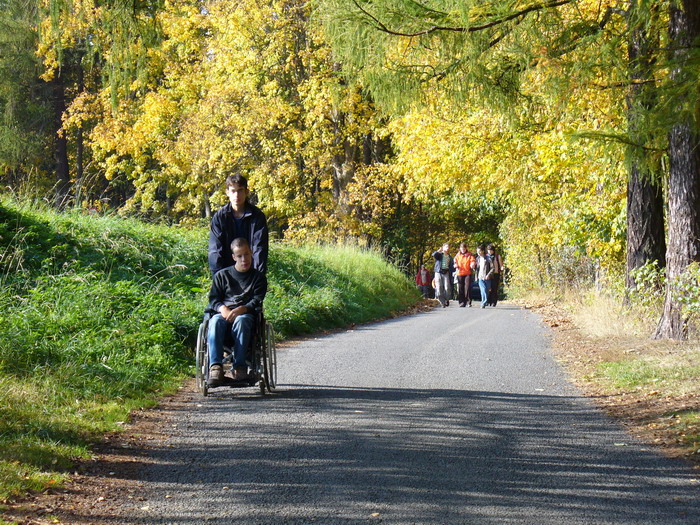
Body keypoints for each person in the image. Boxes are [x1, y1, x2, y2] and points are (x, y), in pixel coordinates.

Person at [206, 237, 267, 386]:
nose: (244, 259)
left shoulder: (258, 278)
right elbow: (213, 299)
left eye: (246, 254)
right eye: (239, 256)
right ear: (234, 257)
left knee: (242, 320)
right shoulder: (222, 276)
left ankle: (240, 367)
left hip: (246, 317)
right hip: (224, 315)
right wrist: (223, 309)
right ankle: (215, 367)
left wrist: (243, 309)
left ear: (251, 253)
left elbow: (257, 300)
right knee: (215, 321)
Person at [209, 174, 269, 276]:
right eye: (233, 191)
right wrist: (219, 278)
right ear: (227, 192)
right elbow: (215, 251)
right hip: (226, 273)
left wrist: (257, 278)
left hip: (251, 273)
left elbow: (259, 249)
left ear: (246, 192)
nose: (236, 195)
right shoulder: (220, 218)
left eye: (240, 190)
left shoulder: (257, 216)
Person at [453, 243, 477, 307]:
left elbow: (473, 260)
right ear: (460, 248)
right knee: (460, 288)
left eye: (464, 248)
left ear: (466, 248)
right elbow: (455, 261)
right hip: (460, 273)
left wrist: (472, 264)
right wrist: (455, 264)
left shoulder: (469, 255)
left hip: (467, 273)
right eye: (461, 248)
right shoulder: (458, 255)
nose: (463, 250)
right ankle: (461, 302)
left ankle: (468, 302)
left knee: (467, 287)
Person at [432, 243, 454, 307]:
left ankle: (447, 299)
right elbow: (433, 255)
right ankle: (442, 302)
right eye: (446, 247)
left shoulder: (450, 257)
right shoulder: (439, 255)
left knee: (447, 287)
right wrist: (438, 251)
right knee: (439, 287)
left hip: (446, 272)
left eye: (448, 247)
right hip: (438, 272)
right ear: (443, 247)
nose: (447, 248)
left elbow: (451, 266)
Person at [476, 244, 494, 309]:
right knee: (483, 290)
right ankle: (483, 303)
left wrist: (488, 275)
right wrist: (473, 267)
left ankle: (485, 301)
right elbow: (476, 268)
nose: (478, 253)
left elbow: (492, 268)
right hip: (480, 277)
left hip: (487, 277)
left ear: (483, 251)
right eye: (477, 251)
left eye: (479, 251)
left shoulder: (488, 258)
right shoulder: (477, 259)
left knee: (486, 290)